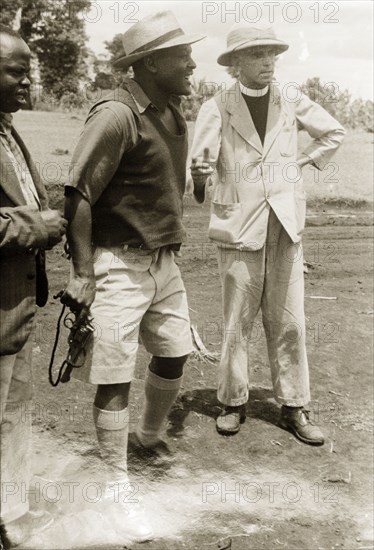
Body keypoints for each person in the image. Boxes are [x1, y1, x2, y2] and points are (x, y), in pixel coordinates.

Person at [61, 11, 203, 541]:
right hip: (116, 263)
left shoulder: (172, 112)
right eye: (181, 55)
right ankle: (116, 487)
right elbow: (76, 192)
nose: (191, 62)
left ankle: (145, 435)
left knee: (174, 350)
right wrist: (83, 273)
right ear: (149, 64)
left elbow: (157, 187)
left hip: (163, 260)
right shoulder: (116, 115)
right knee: (114, 374)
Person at [189, 24, 345, 445]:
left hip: (286, 223)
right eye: (257, 55)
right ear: (235, 64)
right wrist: (200, 176)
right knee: (236, 321)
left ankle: (295, 406)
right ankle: (232, 402)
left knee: (291, 321)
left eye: (272, 55)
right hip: (238, 225)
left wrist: (304, 161)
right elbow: (198, 173)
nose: (267, 62)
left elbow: (334, 132)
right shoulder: (217, 106)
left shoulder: (290, 98)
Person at [0, 25, 67, 546]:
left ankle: (12, 515)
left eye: (29, 72)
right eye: (16, 72)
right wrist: (33, 227)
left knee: (14, 412)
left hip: (13, 307)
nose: (28, 83)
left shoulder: (6, 128)